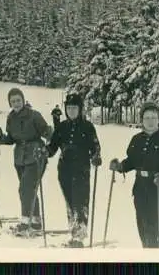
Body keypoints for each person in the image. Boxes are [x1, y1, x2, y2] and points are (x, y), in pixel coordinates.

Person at [109, 101, 159, 248]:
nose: (150, 121)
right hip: (140, 188)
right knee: (143, 224)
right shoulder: (137, 140)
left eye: (153, 118)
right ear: (142, 120)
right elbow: (132, 161)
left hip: (158, 189)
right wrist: (120, 166)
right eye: (147, 118)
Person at [0, 88, 53, 235]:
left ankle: (25, 221)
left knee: (25, 189)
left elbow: (48, 133)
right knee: (29, 190)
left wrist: (49, 146)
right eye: (13, 101)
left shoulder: (34, 115)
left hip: (36, 155)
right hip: (20, 158)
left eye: (18, 100)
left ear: (23, 100)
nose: (16, 103)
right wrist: (1, 137)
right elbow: (11, 139)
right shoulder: (11, 118)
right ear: (10, 103)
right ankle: (36, 221)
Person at [45, 93, 102, 248]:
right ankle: (73, 231)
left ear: (80, 109)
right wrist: (44, 152)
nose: (71, 111)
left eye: (74, 108)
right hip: (64, 169)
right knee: (70, 202)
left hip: (81, 168)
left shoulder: (88, 127)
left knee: (80, 201)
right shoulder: (62, 127)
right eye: (68, 108)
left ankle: (79, 236)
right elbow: (52, 147)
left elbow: (95, 146)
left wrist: (96, 156)